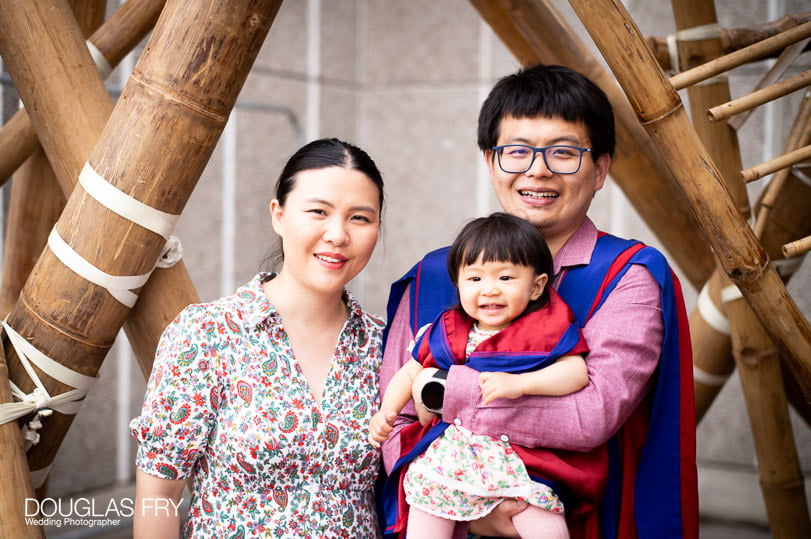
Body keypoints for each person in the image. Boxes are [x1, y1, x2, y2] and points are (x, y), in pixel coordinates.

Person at [379, 65, 697, 539]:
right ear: (490, 163)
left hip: (583, 521)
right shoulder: (435, 275)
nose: (538, 170)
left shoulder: (627, 277)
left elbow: (589, 417)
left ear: (601, 169)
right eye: (516, 152)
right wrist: (465, 504)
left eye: (564, 153)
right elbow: (397, 419)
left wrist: (448, 392)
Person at [131, 138, 386, 538]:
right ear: (279, 215)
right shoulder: (207, 333)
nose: (337, 235)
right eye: (318, 211)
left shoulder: (384, 344)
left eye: (360, 218)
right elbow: (159, 495)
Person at [371, 212, 595, 539]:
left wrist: (522, 383)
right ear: (458, 284)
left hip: (514, 462)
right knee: (427, 518)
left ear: (536, 286)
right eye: (475, 279)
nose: (489, 290)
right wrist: (386, 412)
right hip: (450, 459)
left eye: (505, 278)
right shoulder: (447, 330)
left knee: (548, 526)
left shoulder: (543, 331)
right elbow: (410, 372)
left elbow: (575, 372)